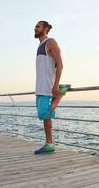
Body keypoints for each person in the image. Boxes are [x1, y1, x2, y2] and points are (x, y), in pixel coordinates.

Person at [33, 21, 70, 154]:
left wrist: (56, 86)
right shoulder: (40, 46)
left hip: (48, 86)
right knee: (45, 118)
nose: (35, 28)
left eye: (38, 26)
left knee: (43, 114)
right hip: (40, 86)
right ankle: (49, 144)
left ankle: (61, 94)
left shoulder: (51, 42)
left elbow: (60, 64)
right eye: (35, 26)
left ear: (46, 29)